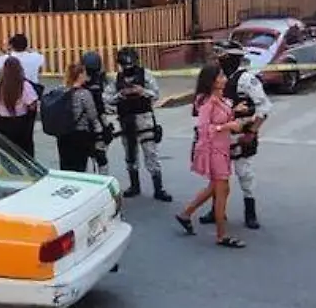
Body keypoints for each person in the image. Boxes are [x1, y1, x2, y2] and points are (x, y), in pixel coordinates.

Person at [204, 44, 272, 229]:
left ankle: (250, 213)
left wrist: (252, 131)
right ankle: (217, 211)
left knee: (244, 174)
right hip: (220, 135)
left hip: (240, 135)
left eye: (222, 57)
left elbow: (264, 107)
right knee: (218, 176)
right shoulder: (217, 79)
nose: (218, 60)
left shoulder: (247, 80)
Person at [176, 64, 244, 249]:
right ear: (212, 81)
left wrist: (236, 114)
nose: (224, 78)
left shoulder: (220, 99)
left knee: (218, 188)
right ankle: (221, 235)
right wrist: (227, 126)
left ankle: (186, 213)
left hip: (223, 149)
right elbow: (205, 130)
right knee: (220, 191)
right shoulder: (207, 103)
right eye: (220, 76)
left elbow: (226, 116)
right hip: (214, 151)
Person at [106, 46, 171, 202]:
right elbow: (106, 99)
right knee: (130, 155)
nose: (128, 68)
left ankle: (158, 188)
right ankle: (134, 186)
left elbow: (156, 95)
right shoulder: (116, 80)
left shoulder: (146, 75)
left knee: (151, 154)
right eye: (124, 65)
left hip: (145, 120)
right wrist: (120, 95)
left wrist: (142, 91)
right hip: (126, 122)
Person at [53, 62, 103, 173]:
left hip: (63, 134)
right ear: (80, 75)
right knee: (79, 167)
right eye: (84, 73)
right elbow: (92, 116)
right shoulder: (84, 94)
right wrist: (100, 134)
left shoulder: (60, 91)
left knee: (66, 167)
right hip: (80, 134)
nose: (86, 76)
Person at [0, 55, 39, 155]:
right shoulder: (24, 85)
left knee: (6, 153)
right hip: (21, 122)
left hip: (2, 122)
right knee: (24, 153)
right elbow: (32, 104)